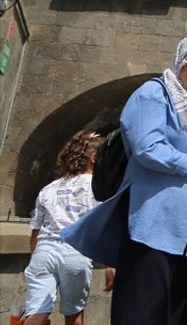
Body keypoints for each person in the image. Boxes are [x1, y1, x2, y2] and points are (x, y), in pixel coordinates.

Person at [62, 35, 187, 325]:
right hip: (152, 219)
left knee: (171, 314)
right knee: (140, 310)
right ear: (182, 59)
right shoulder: (154, 93)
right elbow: (147, 147)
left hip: (186, 229)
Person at [22, 131, 107, 325]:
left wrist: (35, 257)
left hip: (44, 251)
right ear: (94, 158)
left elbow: (36, 231)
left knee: (36, 313)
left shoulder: (49, 188)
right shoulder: (97, 187)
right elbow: (104, 226)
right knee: (74, 316)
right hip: (75, 252)